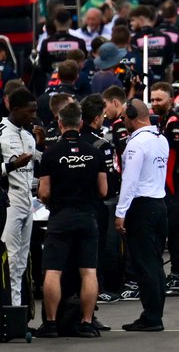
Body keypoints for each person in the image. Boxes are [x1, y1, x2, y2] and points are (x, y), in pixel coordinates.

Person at [35, 101, 107, 338]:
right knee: (88, 271)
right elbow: (104, 190)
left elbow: (43, 192)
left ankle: (52, 323)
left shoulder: (51, 153)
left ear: (59, 123)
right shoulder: (95, 152)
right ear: (81, 123)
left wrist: (54, 202)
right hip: (87, 216)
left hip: (60, 217)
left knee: (53, 271)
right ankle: (87, 322)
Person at [115, 98, 169, 332]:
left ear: (131, 116)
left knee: (144, 263)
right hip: (159, 203)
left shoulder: (136, 144)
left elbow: (130, 180)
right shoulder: (161, 139)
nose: (122, 122)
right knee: (155, 263)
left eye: (124, 117)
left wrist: (120, 212)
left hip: (142, 206)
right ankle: (155, 312)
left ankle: (151, 316)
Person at [1, 88, 44, 306]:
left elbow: (42, 161)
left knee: (21, 260)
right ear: (15, 109)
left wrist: (42, 143)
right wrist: (11, 165)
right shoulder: (0, 131)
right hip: (8, 200)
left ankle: (17, 312)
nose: (33, 116)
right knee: (9, 257)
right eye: (29, 111)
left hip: (28, 200)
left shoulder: (28, 135)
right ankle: (8, 310)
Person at [150, 83, 179, 295]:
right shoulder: (161, 120)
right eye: (153, 99)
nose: (154, 103)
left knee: (176, 233)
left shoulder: (174, 122)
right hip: (164, 187)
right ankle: (171, 274)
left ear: (170, 100)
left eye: (159, 99)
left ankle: (178, 275)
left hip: (175, 187)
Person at [79, 94, 121, 304]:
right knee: (98, 249)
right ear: (96, 118)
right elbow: (110, 183)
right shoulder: (102, 145)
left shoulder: (70, 141)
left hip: (72, 205)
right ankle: (99, 287)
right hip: (96, 205)